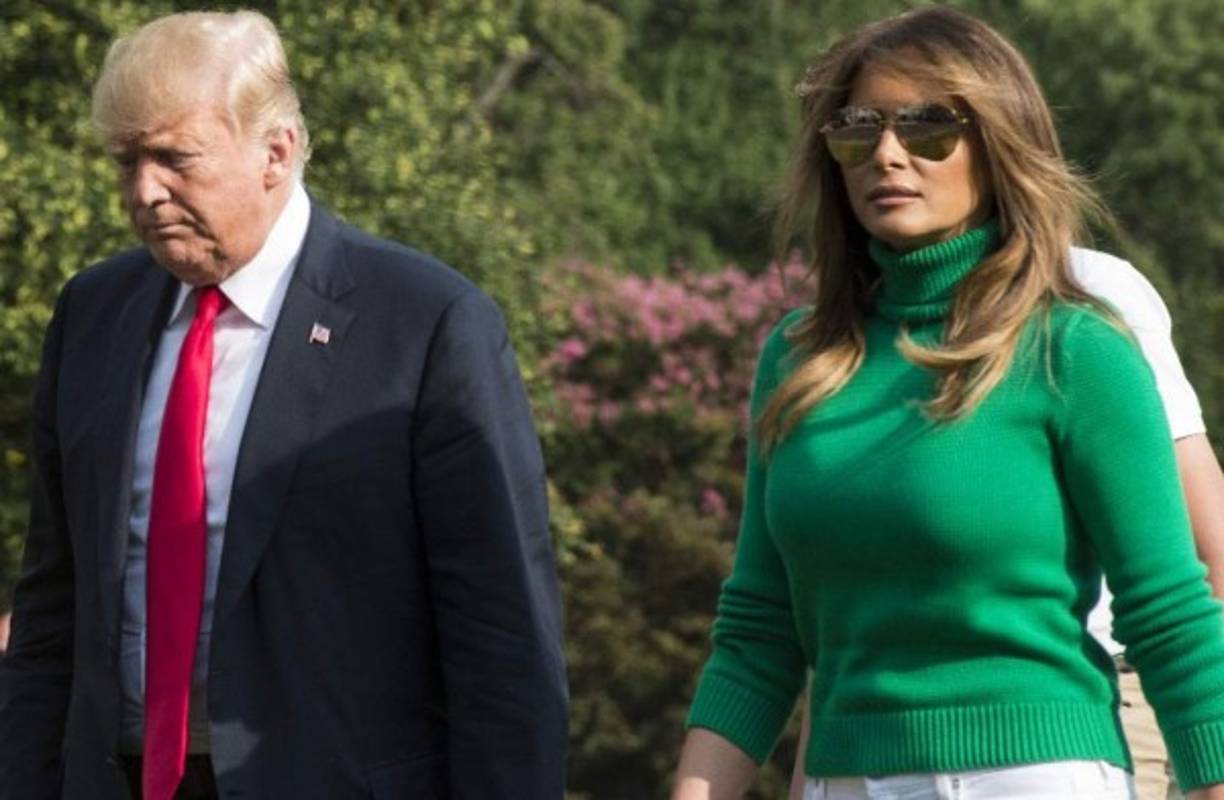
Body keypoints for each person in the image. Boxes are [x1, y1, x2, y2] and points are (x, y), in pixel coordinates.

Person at [0, 10, 567, 800]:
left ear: (277, 151)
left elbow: (502, 640)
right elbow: (51, 603)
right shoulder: (93, 315)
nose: (144, 190)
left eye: (174, 158)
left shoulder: (426, 325)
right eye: (126, 161)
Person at [672, 7, 1224, 800]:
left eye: (929, 127)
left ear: (997, 148)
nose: (888, 155)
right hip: (846, 778)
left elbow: (1171, 615)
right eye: (858, 130)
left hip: (1036, 775)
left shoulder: (1077, 350)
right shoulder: (799, 360)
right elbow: (761, 628)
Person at [783, 249, 1224, 800]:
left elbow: (1205, 548)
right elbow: (835, 612)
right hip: (880, 739)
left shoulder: (1088, 293)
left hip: (1096, 710)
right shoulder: (854, 322)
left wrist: (1205, 752)